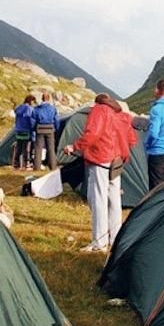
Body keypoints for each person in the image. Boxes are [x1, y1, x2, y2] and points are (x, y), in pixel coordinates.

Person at [64, 94, 136, 253]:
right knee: (114, 200)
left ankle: (99, 243)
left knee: (98, 200)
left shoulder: (99, 110)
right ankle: (115, 238)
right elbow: (131, 140)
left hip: (101, 159)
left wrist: (74, 147)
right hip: (117, 161)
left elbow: (92, 134)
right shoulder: (122, 114)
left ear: (96, 102)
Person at [32, 93, 60, 171]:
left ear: (42, 99)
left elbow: (33, 121)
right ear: (49, 99)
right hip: (50, 129)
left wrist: (34, 128)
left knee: (38, 148)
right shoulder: (53, 108)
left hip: (40, 128)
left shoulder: (37, 109)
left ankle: (37, 167)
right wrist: (56, 128)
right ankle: (53, 167)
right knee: (51, 148)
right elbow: (57, 120)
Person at [13, 94, 36, 169]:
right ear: (30, 101)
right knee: (26, 148)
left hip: (18, 130)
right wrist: (33, 128)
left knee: (18, 148)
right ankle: (26, 163)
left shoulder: (19, 108)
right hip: (27, 131)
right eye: (33, 102)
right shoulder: (29, 109)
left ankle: (16, 164)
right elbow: (31, 120)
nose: (34, 104)